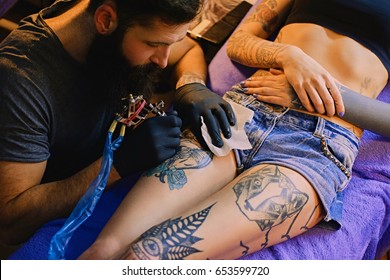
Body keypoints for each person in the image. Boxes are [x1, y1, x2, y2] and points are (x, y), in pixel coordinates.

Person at [77, 0, 390, 260]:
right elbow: (240, 42)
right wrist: (289, 56)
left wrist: (328, 96)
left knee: (150, 256)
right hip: (243, 111)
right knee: (104, 250)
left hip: (316, 145)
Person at [0, 0, 238, 247]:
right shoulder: (21, 82)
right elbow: (10, 223)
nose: (163, 61)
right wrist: (116, 165)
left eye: (170, 44)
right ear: (105, 20)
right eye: (154, 45)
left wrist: (190, 85)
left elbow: (189, 50)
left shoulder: (130, 27)